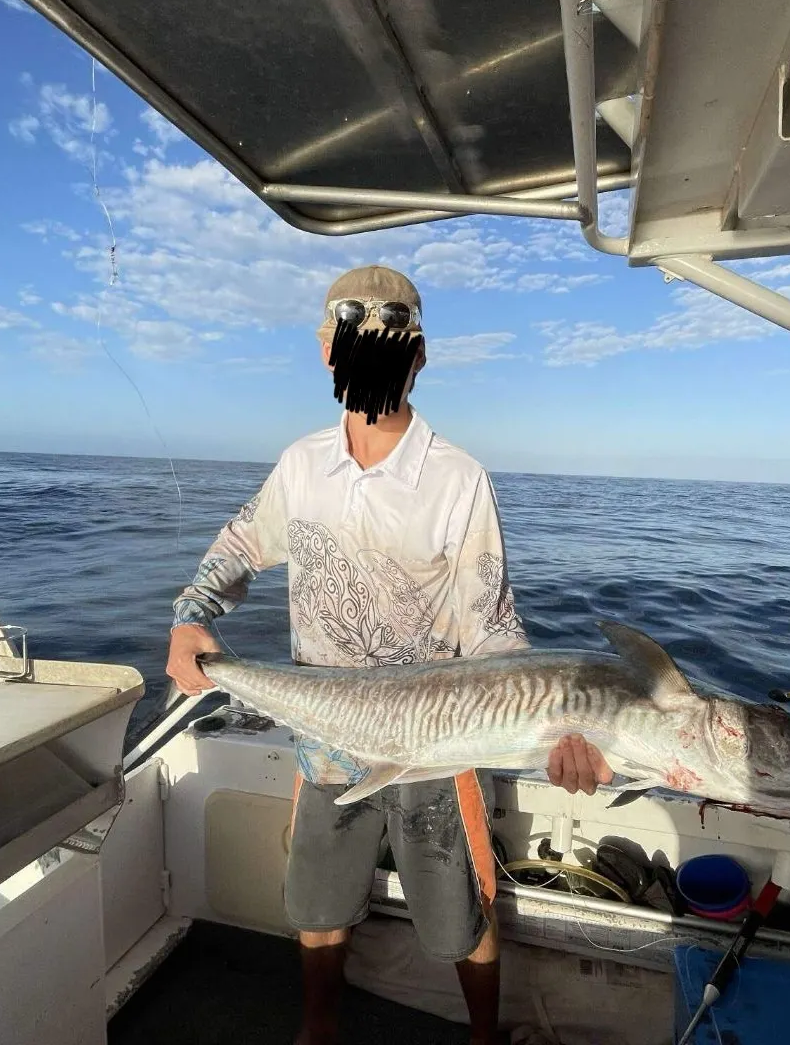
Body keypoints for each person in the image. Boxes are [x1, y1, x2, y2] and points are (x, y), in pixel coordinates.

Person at [166, 265, 614, 1045]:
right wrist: (189, 618)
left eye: (389, 345)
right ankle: (319, 1030)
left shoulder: (457, 480)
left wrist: (557, 733)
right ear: (327, 353)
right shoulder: (301, 467)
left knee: (458, 919)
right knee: (317, 908)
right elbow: (240, 546)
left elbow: (494, 634)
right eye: (355, 343)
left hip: (434, 753)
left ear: (419, 357)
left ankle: (482, 1038)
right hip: (322, 745)